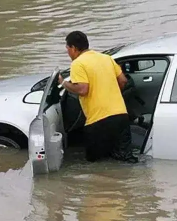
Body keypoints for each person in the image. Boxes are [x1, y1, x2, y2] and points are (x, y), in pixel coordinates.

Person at [58, 31, 138, 163]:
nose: (68, 53)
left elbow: (83, 89)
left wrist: (63, 83)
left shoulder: (78, 63)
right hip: (121, 116)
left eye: (67, 49)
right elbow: (123, 81)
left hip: (98, 121)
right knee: (126, 159)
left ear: (73, 48)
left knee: (96, 164)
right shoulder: (106, 58)